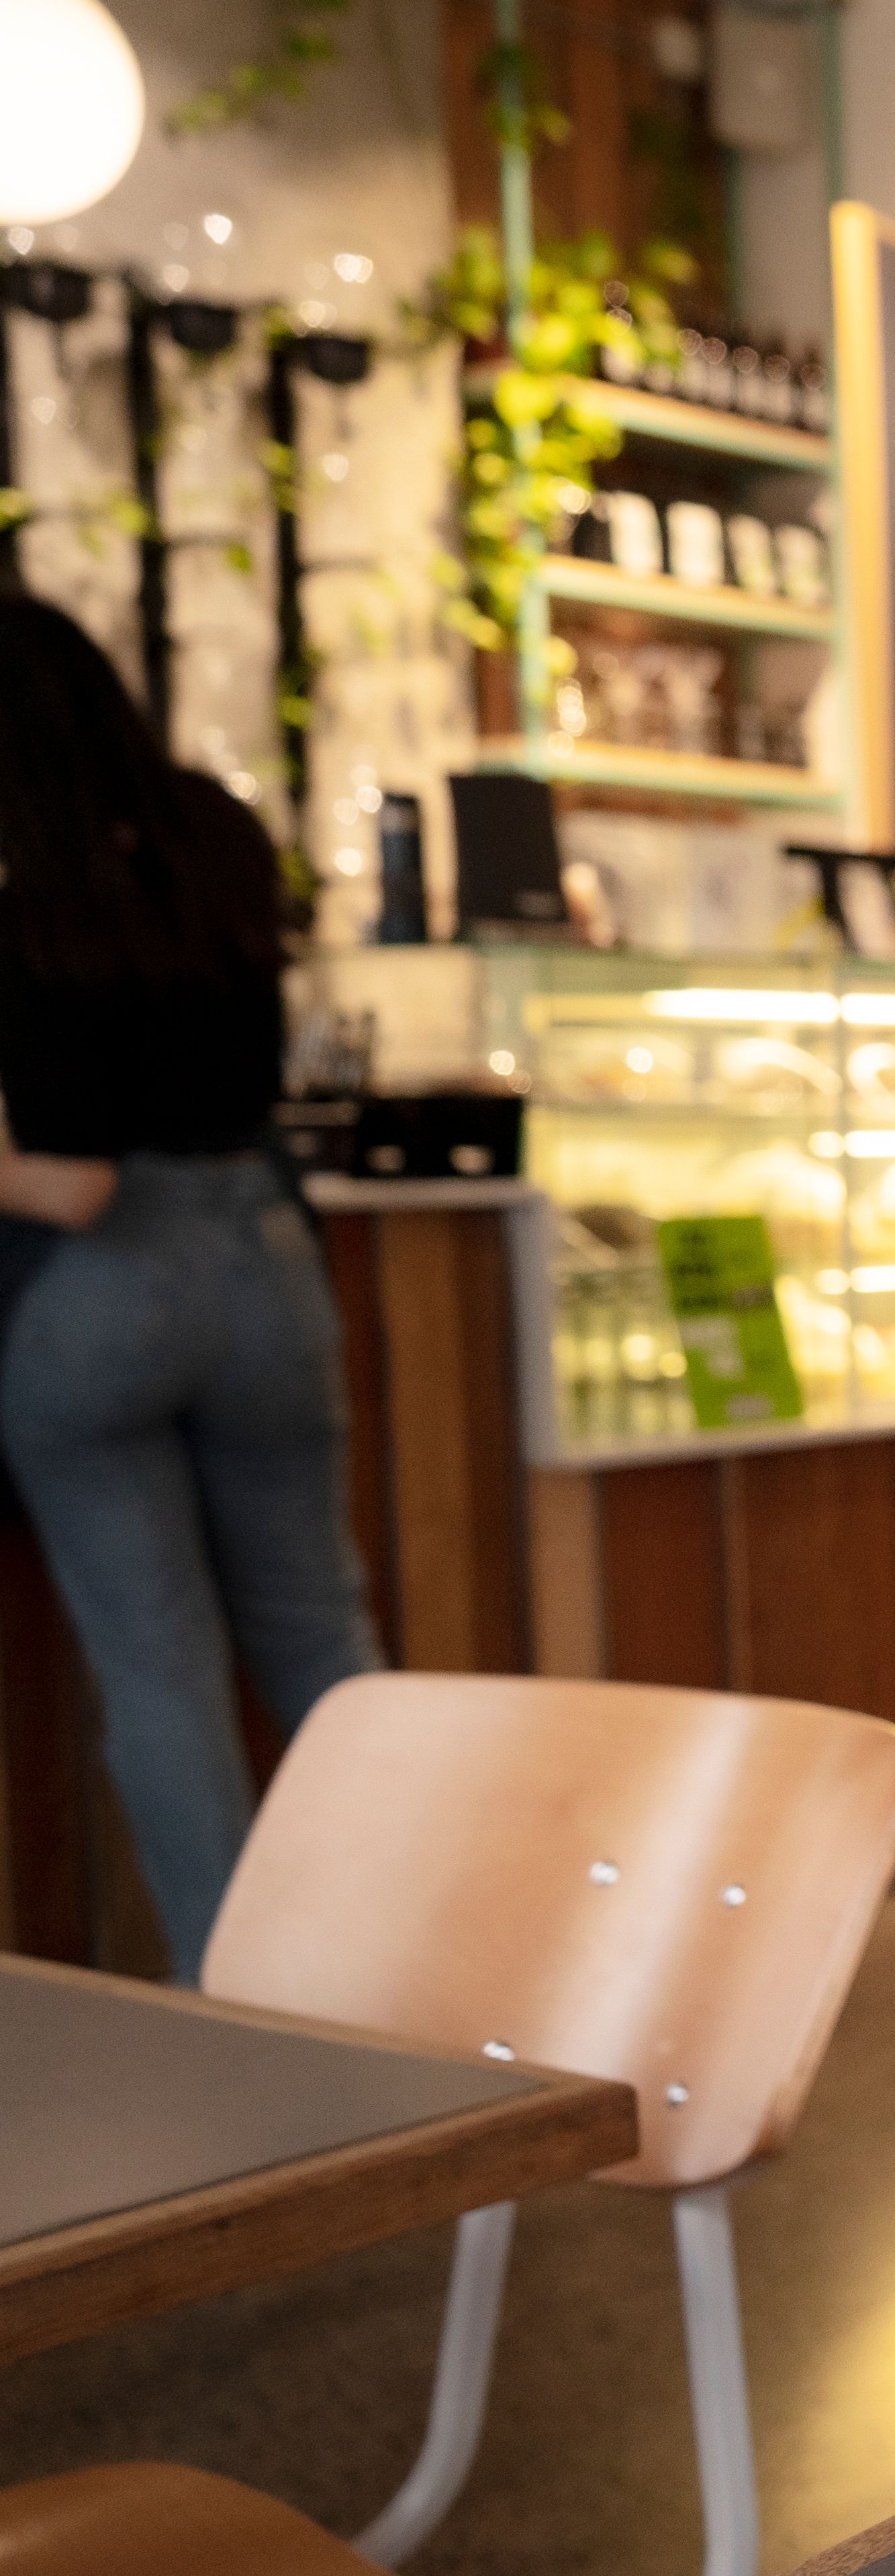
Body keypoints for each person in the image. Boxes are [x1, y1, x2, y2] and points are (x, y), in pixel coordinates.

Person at [0, 595, 385, 1982]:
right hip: (265, 1264)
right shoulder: (212, 832)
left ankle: (239, 2018)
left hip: (103, 1296)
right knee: (322, 1639)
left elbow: (71, 1180)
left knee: (162, 1677)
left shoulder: (25, 879)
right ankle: (410, 1965)